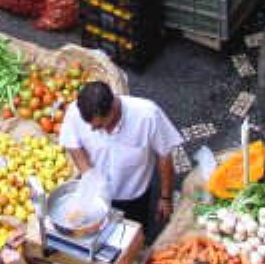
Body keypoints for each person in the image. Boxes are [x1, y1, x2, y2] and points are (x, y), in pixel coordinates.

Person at [59, 82, 183, 239]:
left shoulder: (148, 115)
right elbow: (72, 143)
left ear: (113, 108)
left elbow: (165, 156)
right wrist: (88, 174)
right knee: (97, 236)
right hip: (97, 196)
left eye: (99, 126)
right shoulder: (74, 112)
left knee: (133, 237)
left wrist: (165, 197)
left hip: (133, 197)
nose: (94, 130)